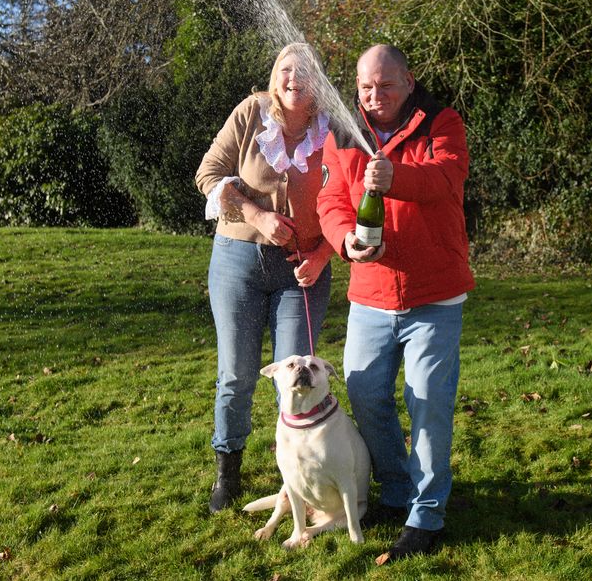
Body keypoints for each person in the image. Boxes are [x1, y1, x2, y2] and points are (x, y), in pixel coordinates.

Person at [317, 44, 474, 560]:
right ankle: (398, 490)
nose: (374, 96)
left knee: (427, 403)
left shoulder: (442, 122)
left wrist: (394, 178)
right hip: (371, 293)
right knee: (365, 396)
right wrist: (345, 242)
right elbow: (331, 201)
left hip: (434, 294)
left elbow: (446, 178)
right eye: (365, 86)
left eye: (385, 85)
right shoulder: (342, 132)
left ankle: (426, 517)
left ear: (408, 81)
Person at [195, 42, 335, 513]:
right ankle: (226, 471)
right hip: (237, 260)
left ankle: (299, 478)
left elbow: (353, 201)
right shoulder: (251, 113)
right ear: (275, 76)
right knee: (236, 374)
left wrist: (322, 252)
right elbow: (208, 173)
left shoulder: (332, 129)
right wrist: (256, 214)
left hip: (304, 270)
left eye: (305, 71)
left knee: (298, 376)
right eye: (285, 69)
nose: (294, 78)